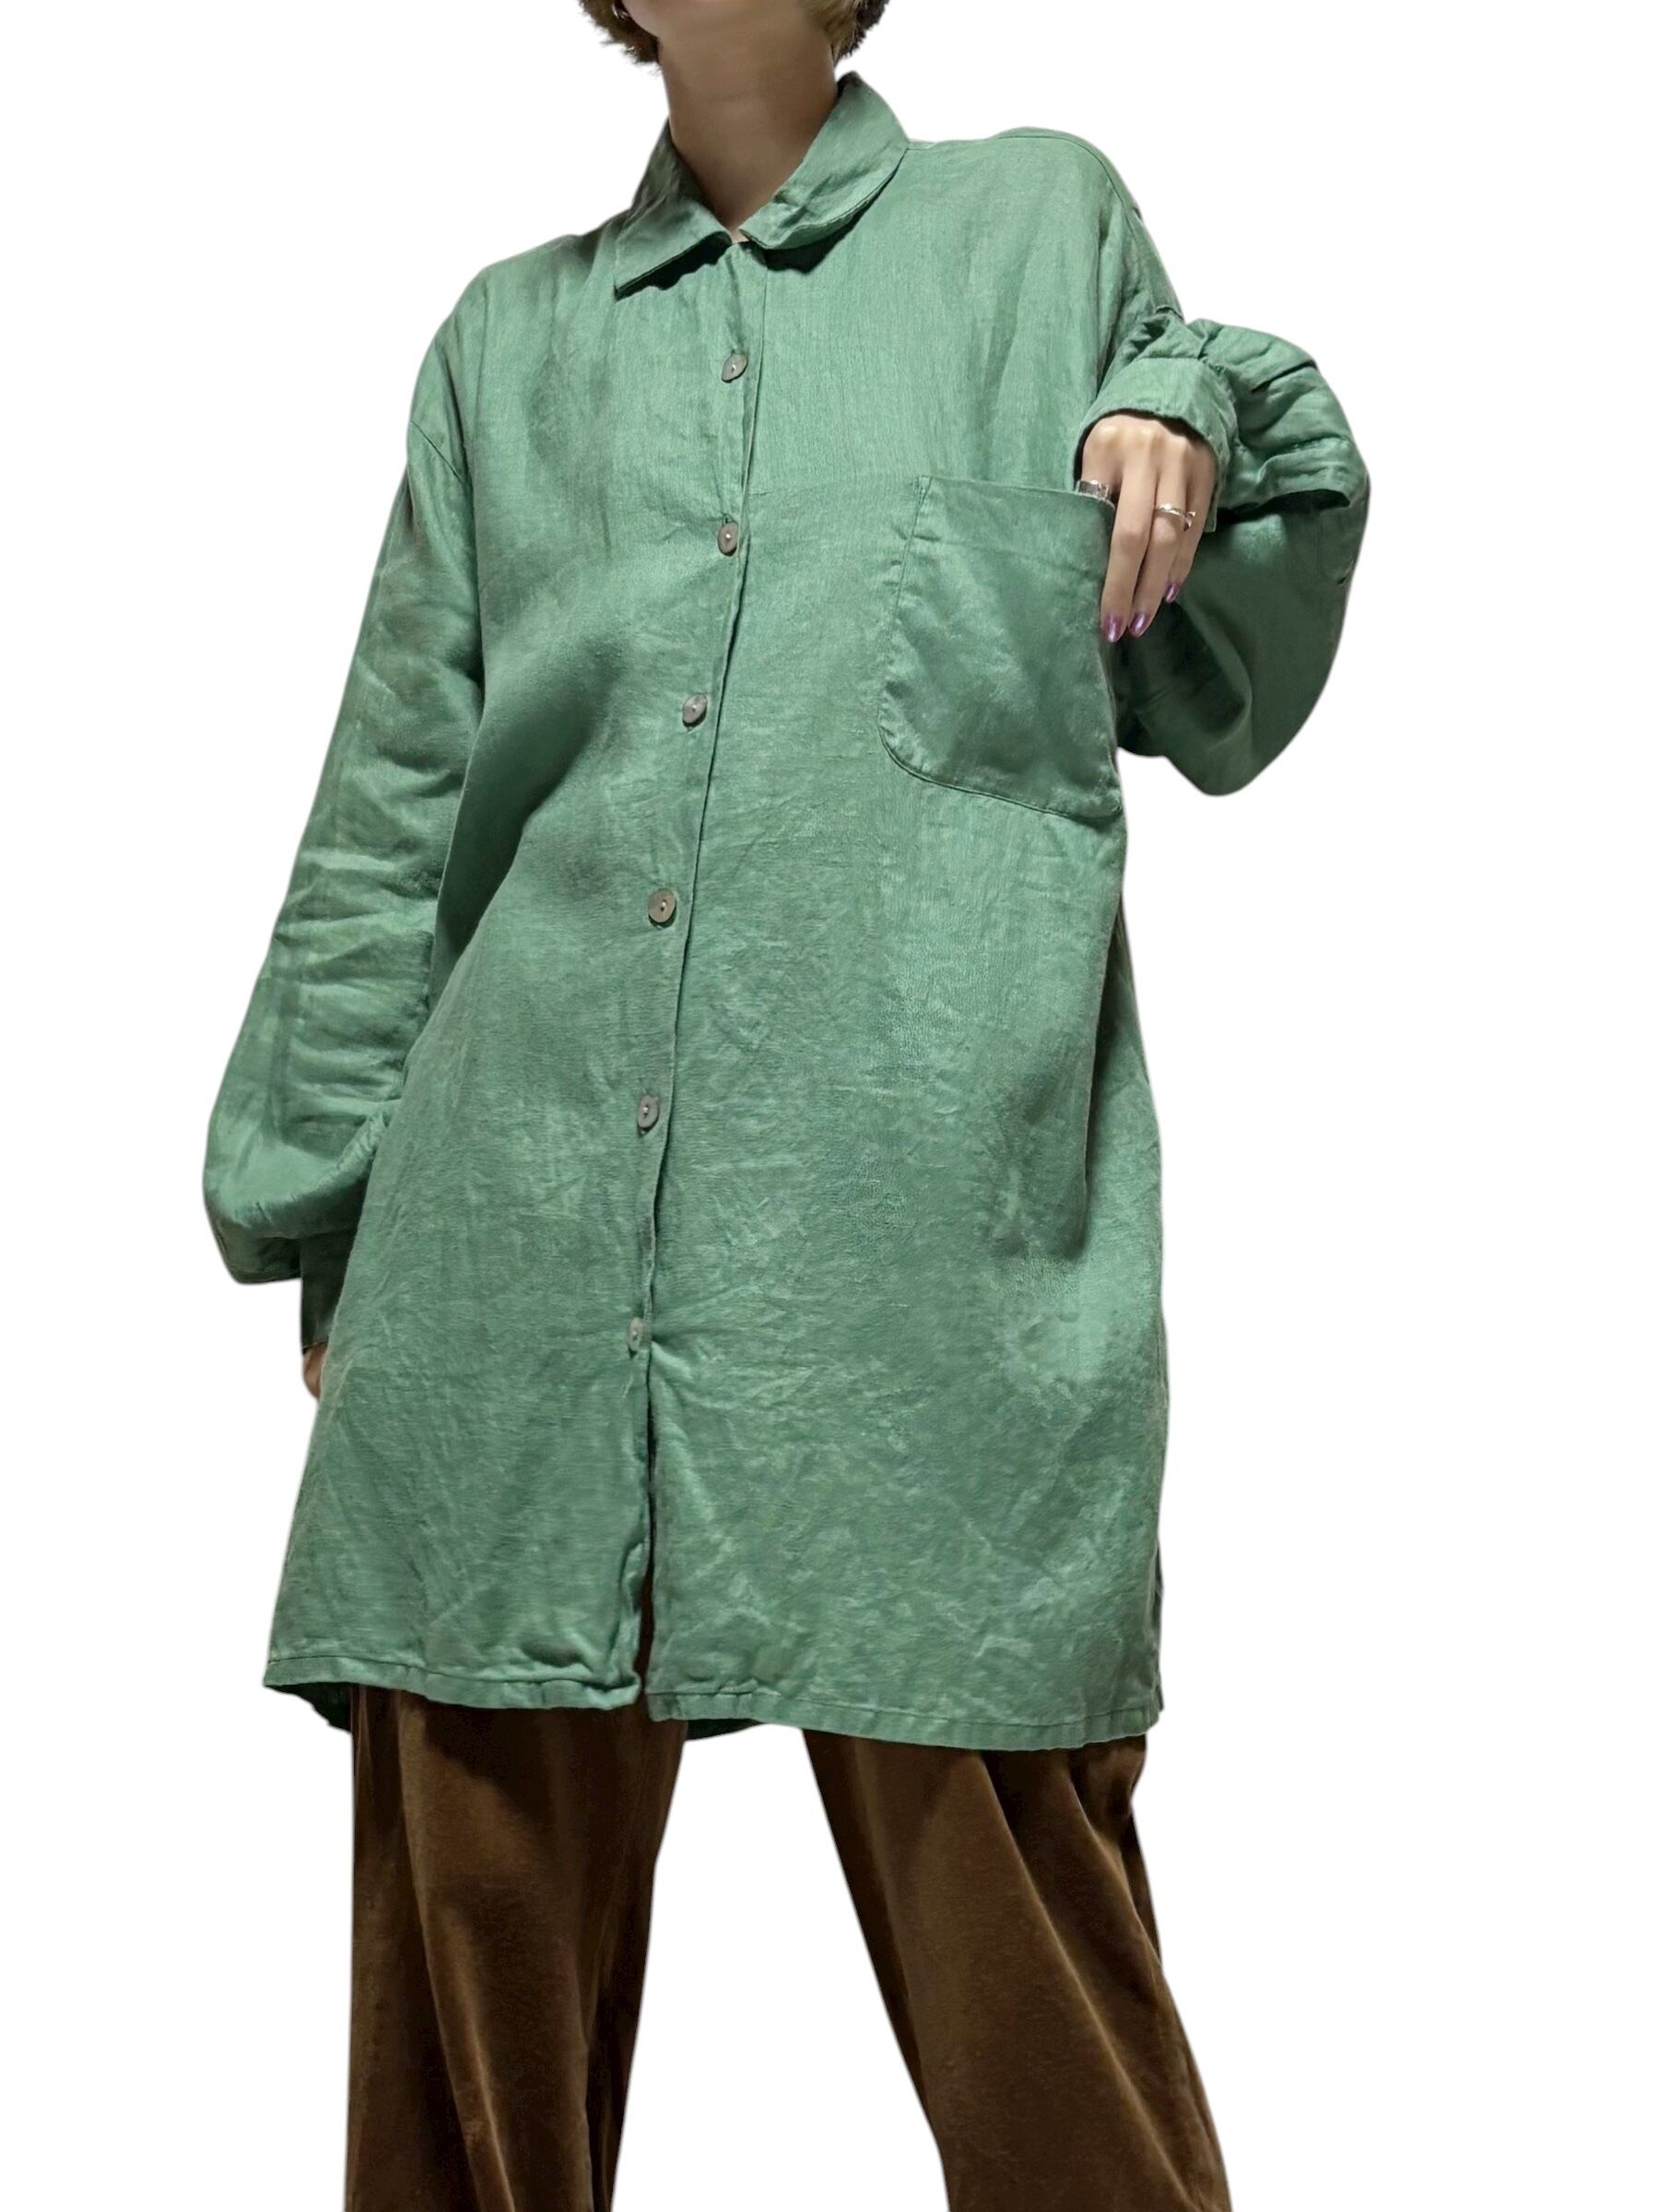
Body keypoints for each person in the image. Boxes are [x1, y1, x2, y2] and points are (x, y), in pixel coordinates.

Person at [205, 2, 1368, 2205]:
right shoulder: (505, 345)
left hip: (923, 1261)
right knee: (464, 2014)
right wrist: (328, 1208)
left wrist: (1193, 399)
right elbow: (394, 806)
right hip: (505, 1256)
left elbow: (1235, 676)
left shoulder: (1035, 227)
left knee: (1027, 1944)